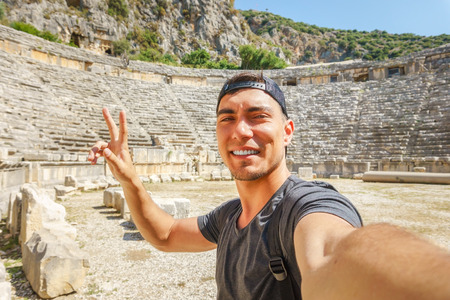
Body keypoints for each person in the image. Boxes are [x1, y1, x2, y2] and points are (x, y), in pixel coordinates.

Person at [88, 72, 450, 300]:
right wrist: (130, 179)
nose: (240, 130)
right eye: (227, 118)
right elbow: (165, 234)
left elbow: (334, 255)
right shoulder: (229, 217)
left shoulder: (306, 207)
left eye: (258, 116)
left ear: (287, 131)